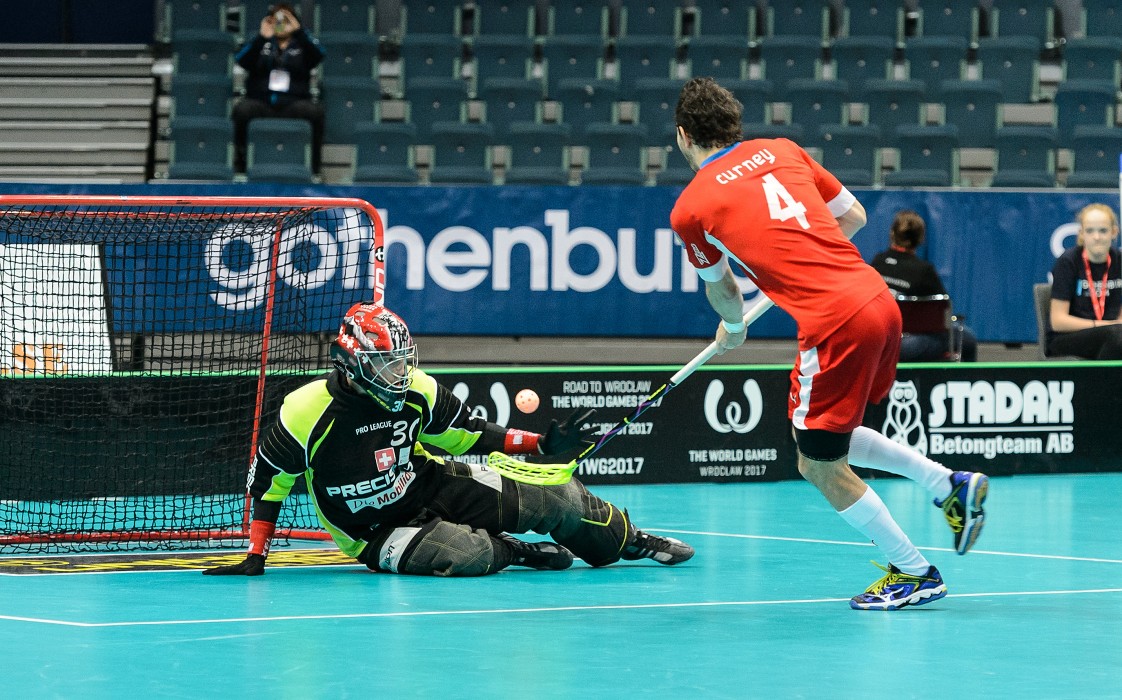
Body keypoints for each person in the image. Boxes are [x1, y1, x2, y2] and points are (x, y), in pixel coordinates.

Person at [668, 77, 988, 611]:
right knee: (824, 436)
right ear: (735, 124)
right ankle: (946, 483)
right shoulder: (782, 149)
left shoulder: (691, 207)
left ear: (683, 135)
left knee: (816, 463)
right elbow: (853, 217)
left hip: (836, 322)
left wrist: (733, 327)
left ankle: (915, 572)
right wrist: (804, 259)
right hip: (877, 301)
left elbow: (723, 290)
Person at [204, 301, 693, 578]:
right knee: (469, 554)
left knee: (556, 494)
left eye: (403, 362)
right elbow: (269, 484)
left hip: (429, 483)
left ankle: (631, 541)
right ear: (351, 362)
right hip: (372, 531)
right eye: (386, 365)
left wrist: (540, 446)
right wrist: (256, 555)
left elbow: (470, 434)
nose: (399, 374)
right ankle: (514, 551)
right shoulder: (306, 411)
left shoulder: (418, 390)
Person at [870, 210, 978, 362]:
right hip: (906, 345)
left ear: (892, 233)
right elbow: (943, 310)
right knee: (967, 339)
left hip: (876, 337)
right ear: (921, 238)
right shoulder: (924, 270)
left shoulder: (878, 262)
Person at [231, 3, 326, 174]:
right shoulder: (260, 42)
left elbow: (319, 55)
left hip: (294, 103)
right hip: (262, 103)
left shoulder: (302, 44)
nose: (282, 24)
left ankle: (314, 168)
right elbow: (241, 60)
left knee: (315, 112)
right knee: (242, 110)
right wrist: (261, 37)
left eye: (286, 20)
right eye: (278, 19)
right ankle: (241, 165)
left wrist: (299, 31)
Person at [1048, 203, 1122, 359]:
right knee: (1115, 335)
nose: (1097, 237)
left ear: (1114, 232)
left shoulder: (1119, 261)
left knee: (1116, 336)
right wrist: (1104, 326)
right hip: (1068, 337)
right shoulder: (1068, 262)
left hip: (1112, 334)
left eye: (1103, 231)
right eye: (1090, 231)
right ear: (1081, 233)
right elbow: (1057, 321)